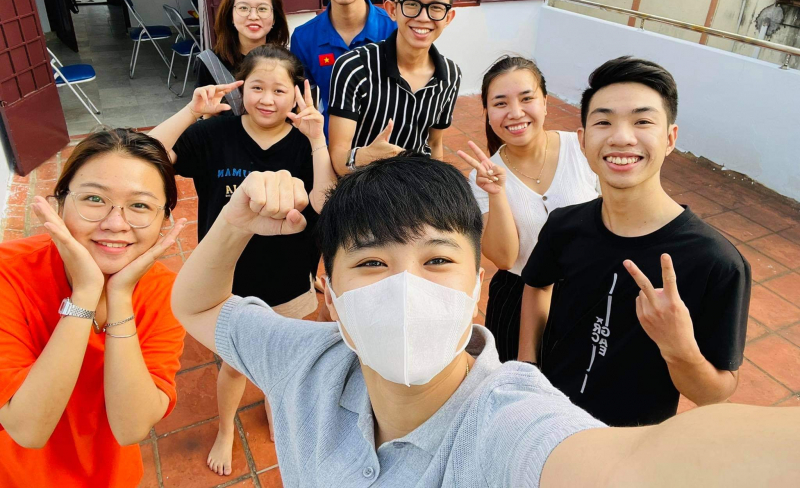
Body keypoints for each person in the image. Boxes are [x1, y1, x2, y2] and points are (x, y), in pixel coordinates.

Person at [171, 153, 797, 487]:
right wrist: (234, 221)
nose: (406, 288)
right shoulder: (304, 361)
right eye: (372, 262)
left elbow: (635, 467)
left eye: (437, 260)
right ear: (329, 293)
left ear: (475, 286)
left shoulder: (511, 425)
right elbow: (195, 305)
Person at [520, 56, 751, 427]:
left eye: (642, 121)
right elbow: (536, 284)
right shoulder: (565, 225)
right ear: (583, 140)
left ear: (670, 138)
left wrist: (678, 347)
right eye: (603, 122)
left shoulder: (716, 262)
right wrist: (527, 365)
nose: (622, 137)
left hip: (632, 442)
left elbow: (715, 394)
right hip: (549, 419)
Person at [149, 44, 336, 476]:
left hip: (290, 276)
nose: (267, 99)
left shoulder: (305, 142)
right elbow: (147, 156)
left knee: (283, 357)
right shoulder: (215, 134)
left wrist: (318, 139)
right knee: (234, 365)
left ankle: (274, 405)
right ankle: (225, 429)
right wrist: (190, 113)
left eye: (279, 90)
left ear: (296, 94)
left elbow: (326, 205)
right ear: (241, 89)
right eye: (257, 87)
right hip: (228, 281)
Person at [0, 129, 186, 487]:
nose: (115, 224)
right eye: (94, 199)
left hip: (111, 475)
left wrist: (119, 297)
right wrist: (86, 293)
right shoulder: (8, 273)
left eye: (140, 205)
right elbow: (28, 429)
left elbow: (131, 427)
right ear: (60, 204)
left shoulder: (165, 292)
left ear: (164, 221)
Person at [458, 56, 600, 362]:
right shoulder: (482, 176)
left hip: (587, 292)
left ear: (545, 103)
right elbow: (505, 258)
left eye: (526, 99)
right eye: (500, 103)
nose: (515, 113)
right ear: (488, 113)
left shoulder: (582, 149)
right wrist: (497, 193)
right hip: (517, 298)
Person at [328, 0, 461, 175]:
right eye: (412, 4)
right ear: (392, 10)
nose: (423, 17)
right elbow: (338, 156)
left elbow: (434, 143)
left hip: (418, 187)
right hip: (365, 187)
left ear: (448, 17)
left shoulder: (450, 75)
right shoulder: (353, 67)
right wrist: (365, 157)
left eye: (436, 7)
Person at [290, 0, 396, 136]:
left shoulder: (395, 28)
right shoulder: (304, 38)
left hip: (387, 146)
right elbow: (304, 102)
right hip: (330, 146)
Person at [195, 0, 290, 112]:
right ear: (231, 15)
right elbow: (202, 115)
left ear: (274, 17)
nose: (253, 16)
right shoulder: (209, 63)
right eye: (243, 8)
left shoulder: (288, 61)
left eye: (262, 9)